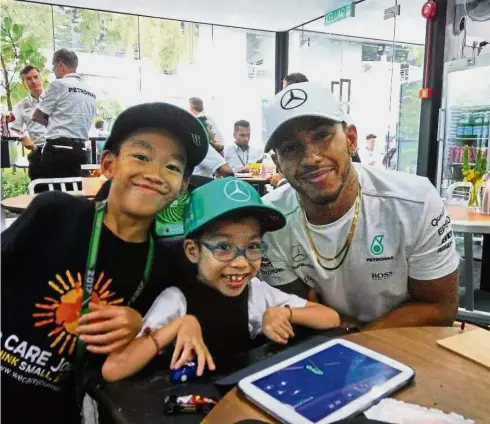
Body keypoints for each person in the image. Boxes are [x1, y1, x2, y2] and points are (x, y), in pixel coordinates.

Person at [1, 102, 209, 424]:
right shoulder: (54, 213)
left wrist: (137, 324)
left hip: (58, 410)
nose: (154, 174)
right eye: (141, 157)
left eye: (172, 167)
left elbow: (123, 362)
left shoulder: (161, 267)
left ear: (182, 187)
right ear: (108, 164)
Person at [260, 82, 460, 331]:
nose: (311, 158)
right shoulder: (270, 219)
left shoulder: (415, 202)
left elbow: (440, 308)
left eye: (322, 136)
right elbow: (300, 308)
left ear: (351, 139)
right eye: (290, 148)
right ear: (277, 162)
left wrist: (357, 338)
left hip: (407, 342)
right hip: (326, 344)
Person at [101, 177, 340, 381]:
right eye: (224, 247)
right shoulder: (177, 301)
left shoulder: (257, 292)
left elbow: (331, 317)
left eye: (253, 246)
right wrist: (178, 326)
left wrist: (284, 313)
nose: (241, 262)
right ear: (193, 251)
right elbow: (113, 370)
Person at [32, 48, 97, 179]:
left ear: (60, 65)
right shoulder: (91, 92)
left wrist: (55, 123)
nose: (52, 70)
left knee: (52, 195)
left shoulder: (59, 84)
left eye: (53, 66)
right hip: (82, 152)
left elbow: (37, 116)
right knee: (77, 194)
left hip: (58, 150)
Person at [9, 65, 47, 179]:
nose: (34, 81)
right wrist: (23, 137)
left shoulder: (54, 99)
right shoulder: (21, 105)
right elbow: (13, 129)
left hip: (59, 149)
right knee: (39, 193)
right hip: (38, 151)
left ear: (41, 78)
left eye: (36, 77)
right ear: (24, 83)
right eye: (29, 79)